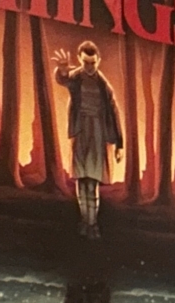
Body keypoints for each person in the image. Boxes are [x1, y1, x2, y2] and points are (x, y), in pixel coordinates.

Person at [53, 41, 123, 239]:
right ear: (80, 60)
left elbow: (114, 112)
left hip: (98, 132)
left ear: (98, 60)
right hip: (80, 131)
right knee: (81, 179)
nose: (89, 67)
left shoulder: (104, 85)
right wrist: (62, 69)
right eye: (85, 62)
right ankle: (85, 221)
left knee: (92, 181)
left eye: (92, 63)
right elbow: (63, 79)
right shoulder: (76, 77)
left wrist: (119, 143)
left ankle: (92, 224)